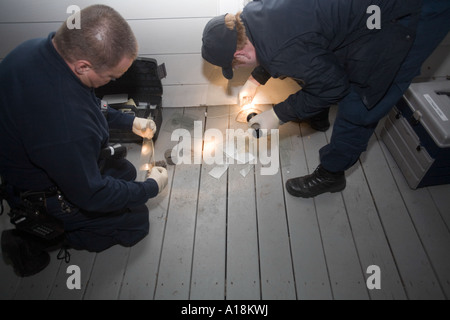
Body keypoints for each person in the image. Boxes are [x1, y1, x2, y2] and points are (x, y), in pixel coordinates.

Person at [202, 0, 450, 198]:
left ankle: (331, 174)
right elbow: (296, 41)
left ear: (240, 54)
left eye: (237, 65)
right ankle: (316, 113)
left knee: (361, 102)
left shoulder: (282, 51)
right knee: (321, 66)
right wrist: (256, 79)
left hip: (411, 15)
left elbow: (332, 85)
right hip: (365, 14)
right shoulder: (257, 10)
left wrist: (278, 114)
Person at [0, 5, 168, 277]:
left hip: (49, 158)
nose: (110, 82)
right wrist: (151, 188)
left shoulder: (36, 50)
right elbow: (92, 195)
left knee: (125, 172)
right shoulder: (65, 124)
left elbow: (86, 100)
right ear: (83, 66)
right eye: (111, 77)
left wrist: (128, 121)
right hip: (47, 194)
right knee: (136, 223)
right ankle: (36, 239)